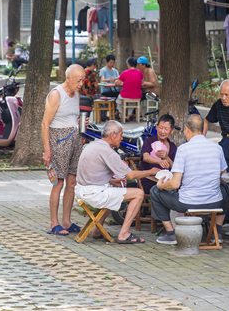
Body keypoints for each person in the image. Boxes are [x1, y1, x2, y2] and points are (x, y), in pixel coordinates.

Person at [75, 121, 161, 243]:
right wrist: (150, 171)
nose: (122, 138)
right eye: (120, 135)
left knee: (113, 193)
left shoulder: (93, 145)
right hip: (93, 193)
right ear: (113, 135)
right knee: (139, 194)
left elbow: (90, 175)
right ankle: (124, 233)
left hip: (82, 191)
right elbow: (131, 175)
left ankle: (97, 230)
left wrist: (112, 181)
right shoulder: (108, 152)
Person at [151, 114, 229, 245]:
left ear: (187, 129)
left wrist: (160, 185)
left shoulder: (183, 149)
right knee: (225, 188)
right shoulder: (217, 148)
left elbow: (175, 184)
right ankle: (217, 233)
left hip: (188, 203)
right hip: (215, 202)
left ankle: (171, 234)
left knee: (154, 191)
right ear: (202, 129)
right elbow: (224, 178)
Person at [41, 64, 86, 236]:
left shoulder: (76, 95)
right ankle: (54, 224)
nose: (81, 84)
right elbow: (45, 124)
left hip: (75, 140)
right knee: (58, 183)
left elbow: (73, 118)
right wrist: (47, 151)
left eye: (82, 80)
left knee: (72, 183)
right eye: (78, 80)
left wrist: (81, 124)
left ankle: (66, 221)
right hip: (59, 141)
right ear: (68, 78)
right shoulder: (56, 94)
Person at [139, 114, 177, 193]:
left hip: (166, 182)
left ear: (172, 130)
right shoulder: (148, 141)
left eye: (166, 129)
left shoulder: (173, 147)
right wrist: (159, 161)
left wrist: (166, 157)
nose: (162, 131)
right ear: (156, 127)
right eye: (160, 127)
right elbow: (145, 157)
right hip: (149, 181)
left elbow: (175, 168)